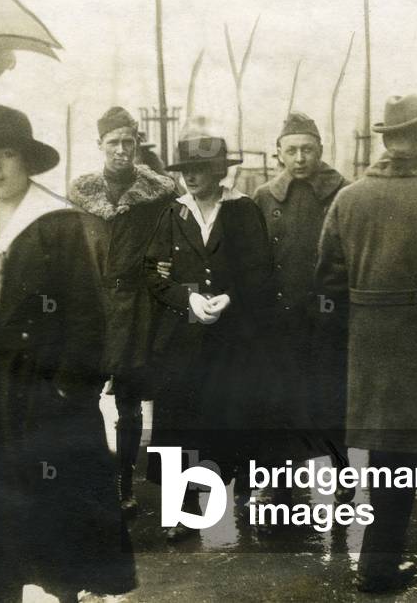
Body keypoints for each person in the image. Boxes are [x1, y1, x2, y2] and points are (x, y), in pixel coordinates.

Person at [0, 105, 136, 603]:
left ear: (26, 160)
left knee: (53, 511)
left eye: (6, 154)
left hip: (43, 387)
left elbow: (85, 314)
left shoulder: (57, 222)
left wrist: (68, 388)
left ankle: (66, 594)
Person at [315, 95, 417, 593]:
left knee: (387, 451)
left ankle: (379, 559)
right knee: (403, 455)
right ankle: (378, 566)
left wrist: (346, 336)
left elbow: (326, 284)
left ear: (389, 142)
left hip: (367, 344)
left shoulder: (348, 198)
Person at [144, 132, 274, 542]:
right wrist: (187, 298)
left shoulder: (243, 210)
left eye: (200, 169)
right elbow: (153, 273)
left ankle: (249, 497)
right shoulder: (173, 213)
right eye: (186, 170)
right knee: (179, 422)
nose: (191, 177)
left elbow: (262, 273)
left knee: (236, 417)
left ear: (219, 172)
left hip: (234, 341)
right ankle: (184, 512)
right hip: (182, 340)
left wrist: (230, 297)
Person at [68, 106, 177, 518]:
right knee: (83, 398)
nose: (120, 150)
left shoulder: (157, 196)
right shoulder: (81, 198)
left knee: (129, 403)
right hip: (93, 309)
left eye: (127, 142)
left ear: (136, 145)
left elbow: (175, 242)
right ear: (100, 145)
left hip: (137, 309)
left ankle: (124, 483)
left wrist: (163, 269)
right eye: (112, 142)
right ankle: (93, 478)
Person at [252, 112, 351, 512]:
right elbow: (254, 259)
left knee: (331, 400)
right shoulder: (264, 197)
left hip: (329, 318)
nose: (299, 158)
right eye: (291, 150)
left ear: (320, 150)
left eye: (307, 149)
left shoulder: (343, 192)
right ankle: (279, 486)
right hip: (281, 320)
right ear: (278, 152)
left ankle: (343, 475)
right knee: (280, 403)